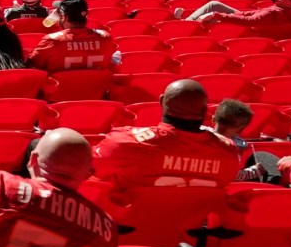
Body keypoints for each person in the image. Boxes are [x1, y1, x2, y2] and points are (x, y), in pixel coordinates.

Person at [92, 80, 243, 198]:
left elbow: (90, 168)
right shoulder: (228, 152)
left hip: (132, 231)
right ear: (205, 111)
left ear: (162, 102)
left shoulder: (125, 143)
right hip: (193, 232)